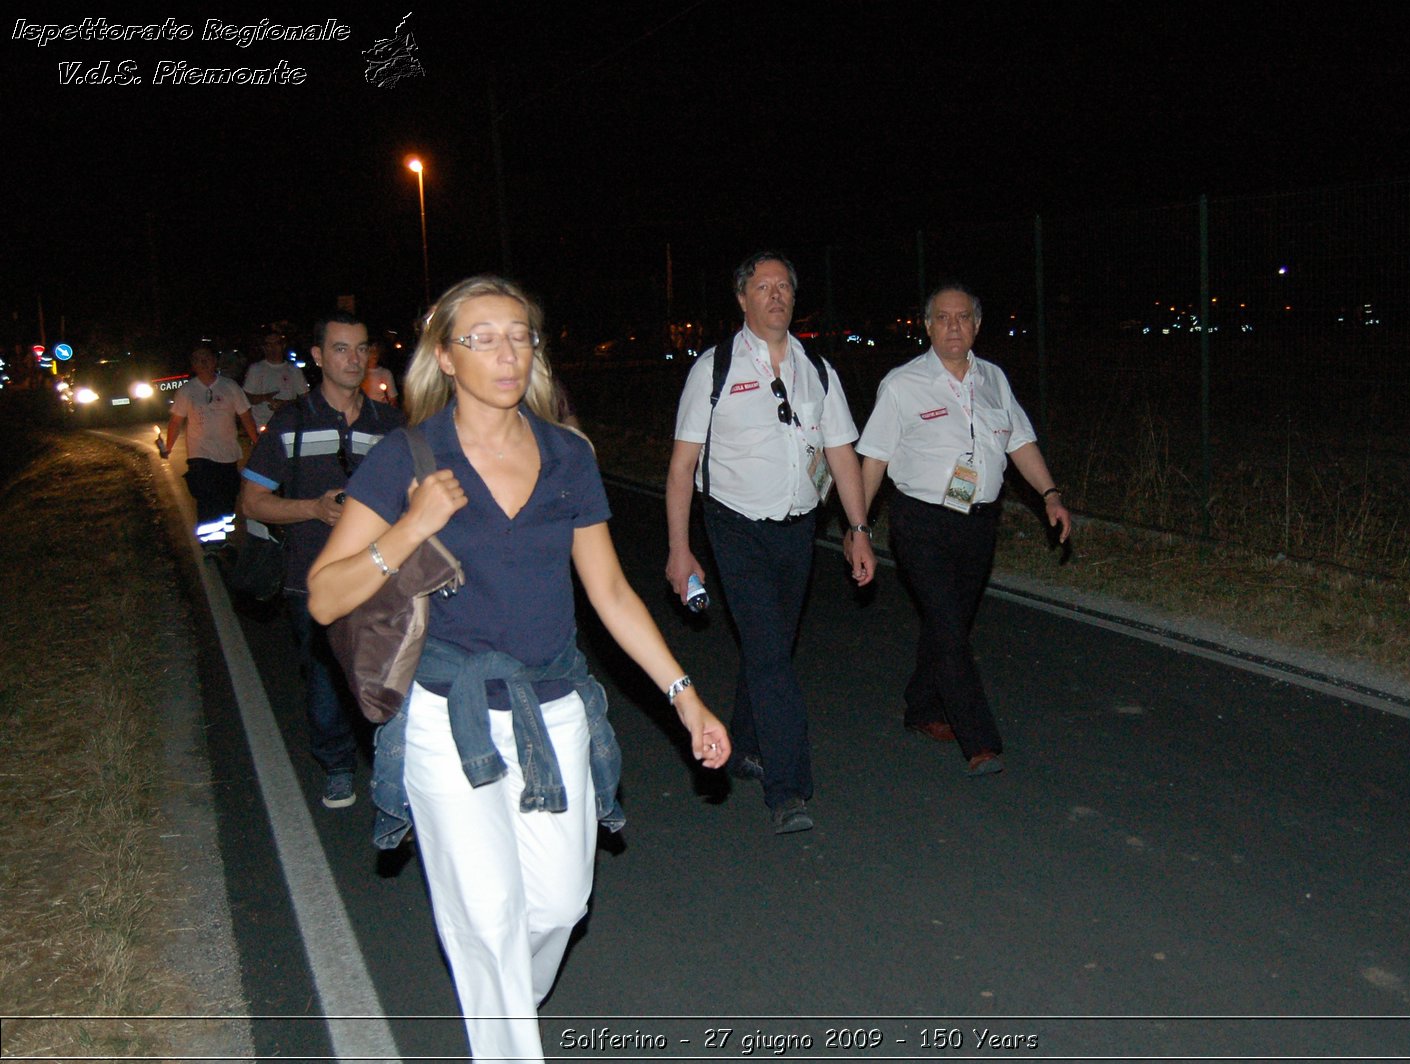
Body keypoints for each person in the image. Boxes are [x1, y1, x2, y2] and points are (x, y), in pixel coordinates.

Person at [307, 275, 729, 1062]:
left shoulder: (568, 455)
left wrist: (686, 697)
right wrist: (410, 526)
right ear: (446, 357)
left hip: (553, 705)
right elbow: (326, 597)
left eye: (520, 335)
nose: (507, 353)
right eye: (484, 338)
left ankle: (501, 1010)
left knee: (558, 907)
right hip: (446, 713)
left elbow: (608, 591)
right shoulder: (406, 455)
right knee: (489, 918)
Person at [665, 251, 876, 834]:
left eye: (784, 286)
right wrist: (681, 550)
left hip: (799, 528)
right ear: (742, 298)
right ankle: (788, 789)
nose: (776, 295)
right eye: (764, 286)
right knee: (768, 651)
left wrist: (858, 531)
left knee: (772, 645)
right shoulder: (713, 369)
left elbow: (841, 454)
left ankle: (747, 743)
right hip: (733, 524)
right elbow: (683, 467)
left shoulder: (818, 371)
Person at [857, 283, 1070, 776]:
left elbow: (1020, 442)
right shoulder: (902, 385)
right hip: (921, 522)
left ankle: (921, 705)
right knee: (951, 631)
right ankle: (980, 741)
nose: (953, 327)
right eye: (942, 318)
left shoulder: (994, 379)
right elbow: (874, 460)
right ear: (927, 326)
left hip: (978, 524)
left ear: (977, 325)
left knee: (947, 623)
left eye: (963, 318)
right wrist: (859, 526)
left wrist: (1050, 495)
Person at [239, 312, 405, 809]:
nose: (352, 360)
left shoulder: (391, 426)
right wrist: (312, 508)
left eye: (360, 349)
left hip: (382, 576)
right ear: (317, 357)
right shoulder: (291, 423)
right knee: (327, 680)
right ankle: (335, 765)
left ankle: (394, 769)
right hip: (310, 579)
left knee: (392, 676)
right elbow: (252, 502)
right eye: (340, 349)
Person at [160, 345, 259, 545]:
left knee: (227, 498)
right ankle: (210, 544)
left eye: (206, 359)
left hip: (228, 454)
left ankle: (223, 536)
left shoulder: (230, 386)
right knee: (206, 498)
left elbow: (245, 416)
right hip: (200, 455)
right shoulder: (187, 391)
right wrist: (168, 447)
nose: (202, 363)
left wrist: (258, 442)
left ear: (215, 361)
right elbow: (176, 422)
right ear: (193, 365)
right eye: (197, 360)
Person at [243, 328, 308, 425]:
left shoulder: (294, 370)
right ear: (264, 348)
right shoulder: (256, 369)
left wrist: (285, 404)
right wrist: (265, 398)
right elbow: (245, 398)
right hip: (263, 424)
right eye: (269, 344)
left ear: (283, 346)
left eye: (276, 343)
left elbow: (305, 399)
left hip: (288, 424)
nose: (273, 348)